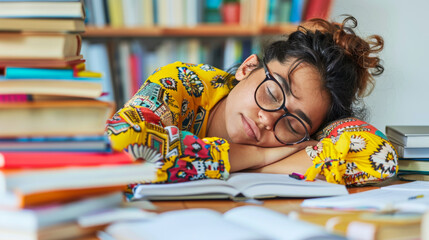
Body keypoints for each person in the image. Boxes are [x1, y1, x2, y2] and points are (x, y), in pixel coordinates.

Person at [106, 16, 397, 197]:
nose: (268, 120)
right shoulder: (181, 83)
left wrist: (248, 172)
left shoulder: (298, 138)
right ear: (247, 68)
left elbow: (379, 155)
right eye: (272, 93)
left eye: (293, 123)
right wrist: (255, 156)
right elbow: (119, 142)